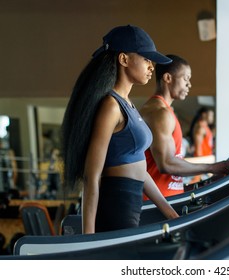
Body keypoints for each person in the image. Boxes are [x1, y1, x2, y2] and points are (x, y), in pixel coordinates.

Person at [61, 24, 179, 234]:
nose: (152, 66)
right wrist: (88, 238)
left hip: (131, 207)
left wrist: (169, 212)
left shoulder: (129, 104)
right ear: (124, 59)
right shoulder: (111, 106)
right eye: (146, 59)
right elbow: (91, 175)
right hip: (115, 208)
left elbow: (140, 168)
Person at [139, 54, 229, 199]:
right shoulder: (159, 113)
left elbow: (172, 181)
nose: (189, 85)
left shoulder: (166, 111)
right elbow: (166, 164)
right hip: (156, 205)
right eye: (185, 79)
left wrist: (207, 183)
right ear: (168, 78)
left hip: (168, 199)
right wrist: (212, 167)